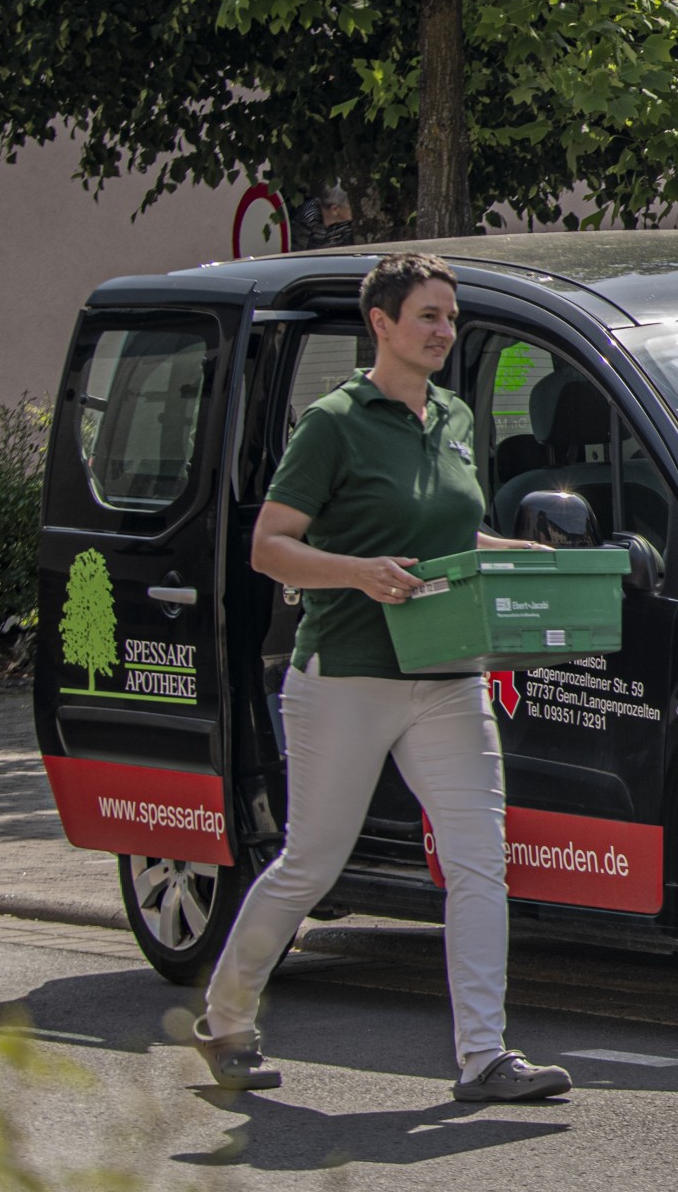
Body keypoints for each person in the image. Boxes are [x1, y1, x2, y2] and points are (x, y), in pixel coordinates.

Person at [188, 251, 572, 1105]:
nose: (444, 331)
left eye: (451, 317)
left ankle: (484, 1055)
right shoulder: (334, 423)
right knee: (311, 863)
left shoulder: (453, 417)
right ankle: (226, 1017)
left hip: (447, 673)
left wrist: (521, 556)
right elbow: (270, 546)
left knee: (479, 862)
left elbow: (452, 537)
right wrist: (359, 573)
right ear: (382, 324)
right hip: (348, 675)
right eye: (428, 316)